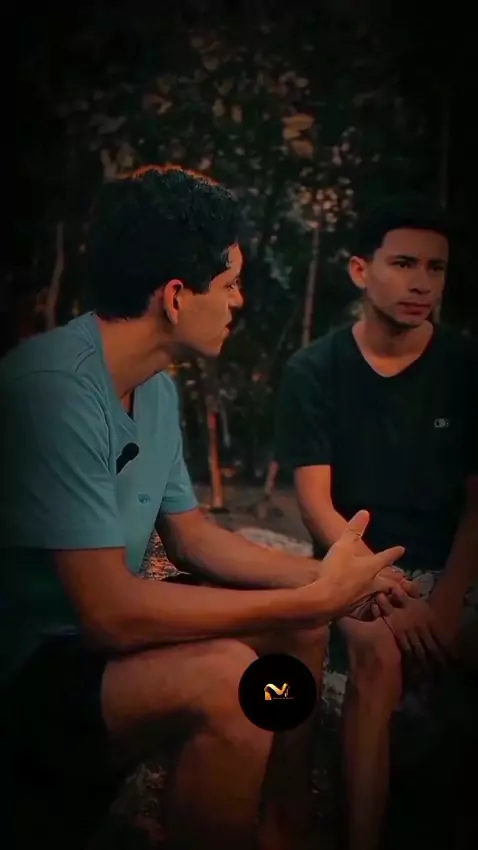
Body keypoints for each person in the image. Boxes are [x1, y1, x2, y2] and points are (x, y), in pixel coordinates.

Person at [0, 166, 412, 850]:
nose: (238, 302)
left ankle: (282, 831)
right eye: (229, 285)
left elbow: (191, 536)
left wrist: (333, 578)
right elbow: (110, 612)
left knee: (298, 637)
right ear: (174, 296)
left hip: (81, 652)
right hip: (28, 672)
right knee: (231, 681)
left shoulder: (155, 389)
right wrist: (309, 599)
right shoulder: (54, 392)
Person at [275, 194, 478, 850]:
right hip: (355, 565)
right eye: (404, 263)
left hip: (453, 569)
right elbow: (317, 505)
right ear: (361, 270)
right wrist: (386, 590)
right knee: (379, 655)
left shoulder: (465, 365)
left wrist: (444, 603)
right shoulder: (313, 370)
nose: (422, 283)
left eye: (436, 268)